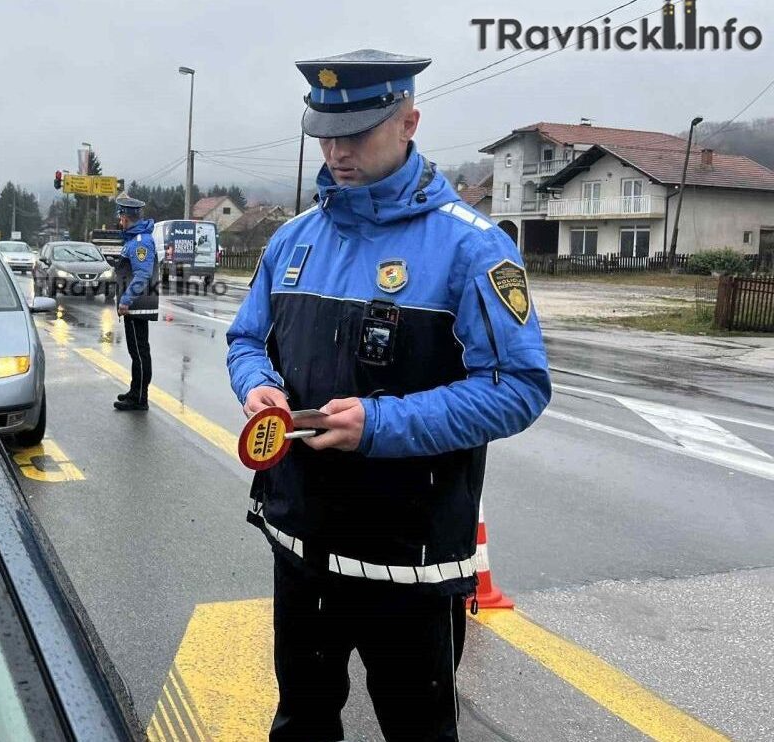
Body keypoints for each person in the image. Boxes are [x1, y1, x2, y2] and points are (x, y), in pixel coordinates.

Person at [226, 49, 552, 742]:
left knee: (419, 730)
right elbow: (246, 340)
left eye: (358, 132)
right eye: (325, 133)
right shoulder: (290, 242)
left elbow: (519, 388)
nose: (336, 152)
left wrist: (381, 424)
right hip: (299, 543)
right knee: (301, 722)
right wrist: (257, 386)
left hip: (410, 562)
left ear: (409, 121)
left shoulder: (474, 247)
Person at [113, 194, 158, 412]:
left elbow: (142, 274)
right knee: (135, 351)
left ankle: (140, 398)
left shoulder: (141, 242)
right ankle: (135, 390)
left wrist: (125, 300)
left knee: (140, 352)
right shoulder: (134, 239)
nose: (119, 220)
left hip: (138, 304)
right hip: (134, 304)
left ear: (126, 217)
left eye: (120, 216)